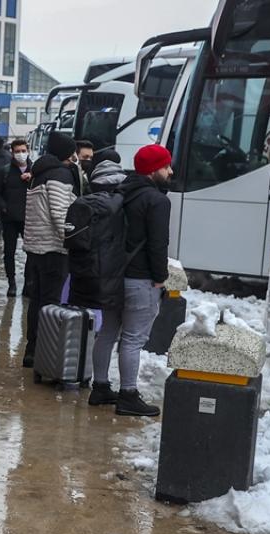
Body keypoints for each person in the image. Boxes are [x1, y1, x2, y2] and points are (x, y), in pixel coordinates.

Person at [89, 147, 173, 417]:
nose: (170, 172)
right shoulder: (157, 201)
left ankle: (100, 387)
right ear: (152, 170)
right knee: (134, 339)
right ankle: (128, 395)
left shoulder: (121, 192)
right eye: (165, 167)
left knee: (108, 332)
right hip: (140, 279)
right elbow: (158, 244)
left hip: (114, 276)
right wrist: (160, 278)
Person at [21, 131, 80, 368]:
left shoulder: (39, 172)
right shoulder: (60, 174)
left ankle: (32, 349)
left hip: (35, 247)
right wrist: (71, 240)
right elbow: (59, 214)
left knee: (37, 301)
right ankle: (43, 353)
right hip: (53, 249)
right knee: (50, 302)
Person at [0, 138, 33, 297]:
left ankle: (28, 283)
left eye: (23, 151)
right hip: (9, 219)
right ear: (12, 153)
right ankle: (11, 282)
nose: (21, 154)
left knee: (32, 253)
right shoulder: (4, 171)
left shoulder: (37, 171)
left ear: (28, 151)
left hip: (31, 219)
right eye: (17, 151)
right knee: (9, 252)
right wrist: (4, 207)